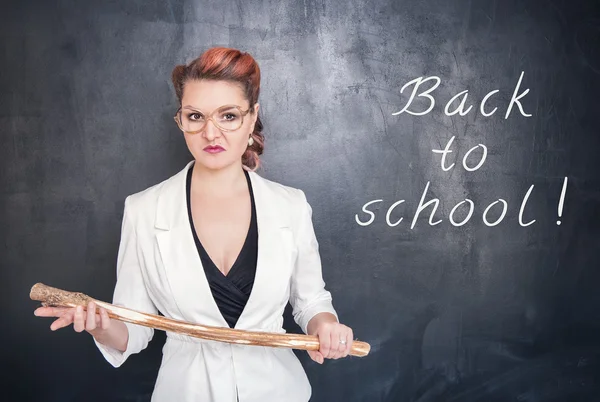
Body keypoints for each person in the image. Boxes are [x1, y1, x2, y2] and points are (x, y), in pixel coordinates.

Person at [34, 47, 354, 402]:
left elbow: (311, 302)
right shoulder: (144, 210)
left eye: (228, 116)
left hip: (279, 391)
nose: (210, 133)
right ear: (180, 120)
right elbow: (135, 330)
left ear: (252, 118)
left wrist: (326, 326)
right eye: (196, 116)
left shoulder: (291, 205)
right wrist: (100, 326)